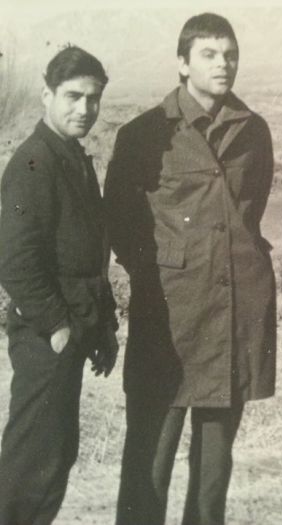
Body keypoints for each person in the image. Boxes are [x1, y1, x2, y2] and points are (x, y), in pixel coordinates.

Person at [104, 13, 276, 525]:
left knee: (213, 469)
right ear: (182, 63)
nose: (223, 64)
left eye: (230, 54)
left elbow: (249, 213)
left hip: (233, 315)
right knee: (149, 462)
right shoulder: (144, 133)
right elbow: (120, 223)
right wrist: (163, 271)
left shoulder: (253, 131)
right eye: (209, 54)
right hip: (170, 317)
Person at [0, 46, 118, 525]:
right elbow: (14, 259)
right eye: (72, 96)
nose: (84, 109)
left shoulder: (71, 158)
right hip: (46, 338)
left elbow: (87, 252)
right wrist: (57, 327)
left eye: (93, 98)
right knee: (32, 465)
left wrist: (103, 327)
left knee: (54, 458)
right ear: (46, 95)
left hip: (72, 329)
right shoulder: (33, 162)